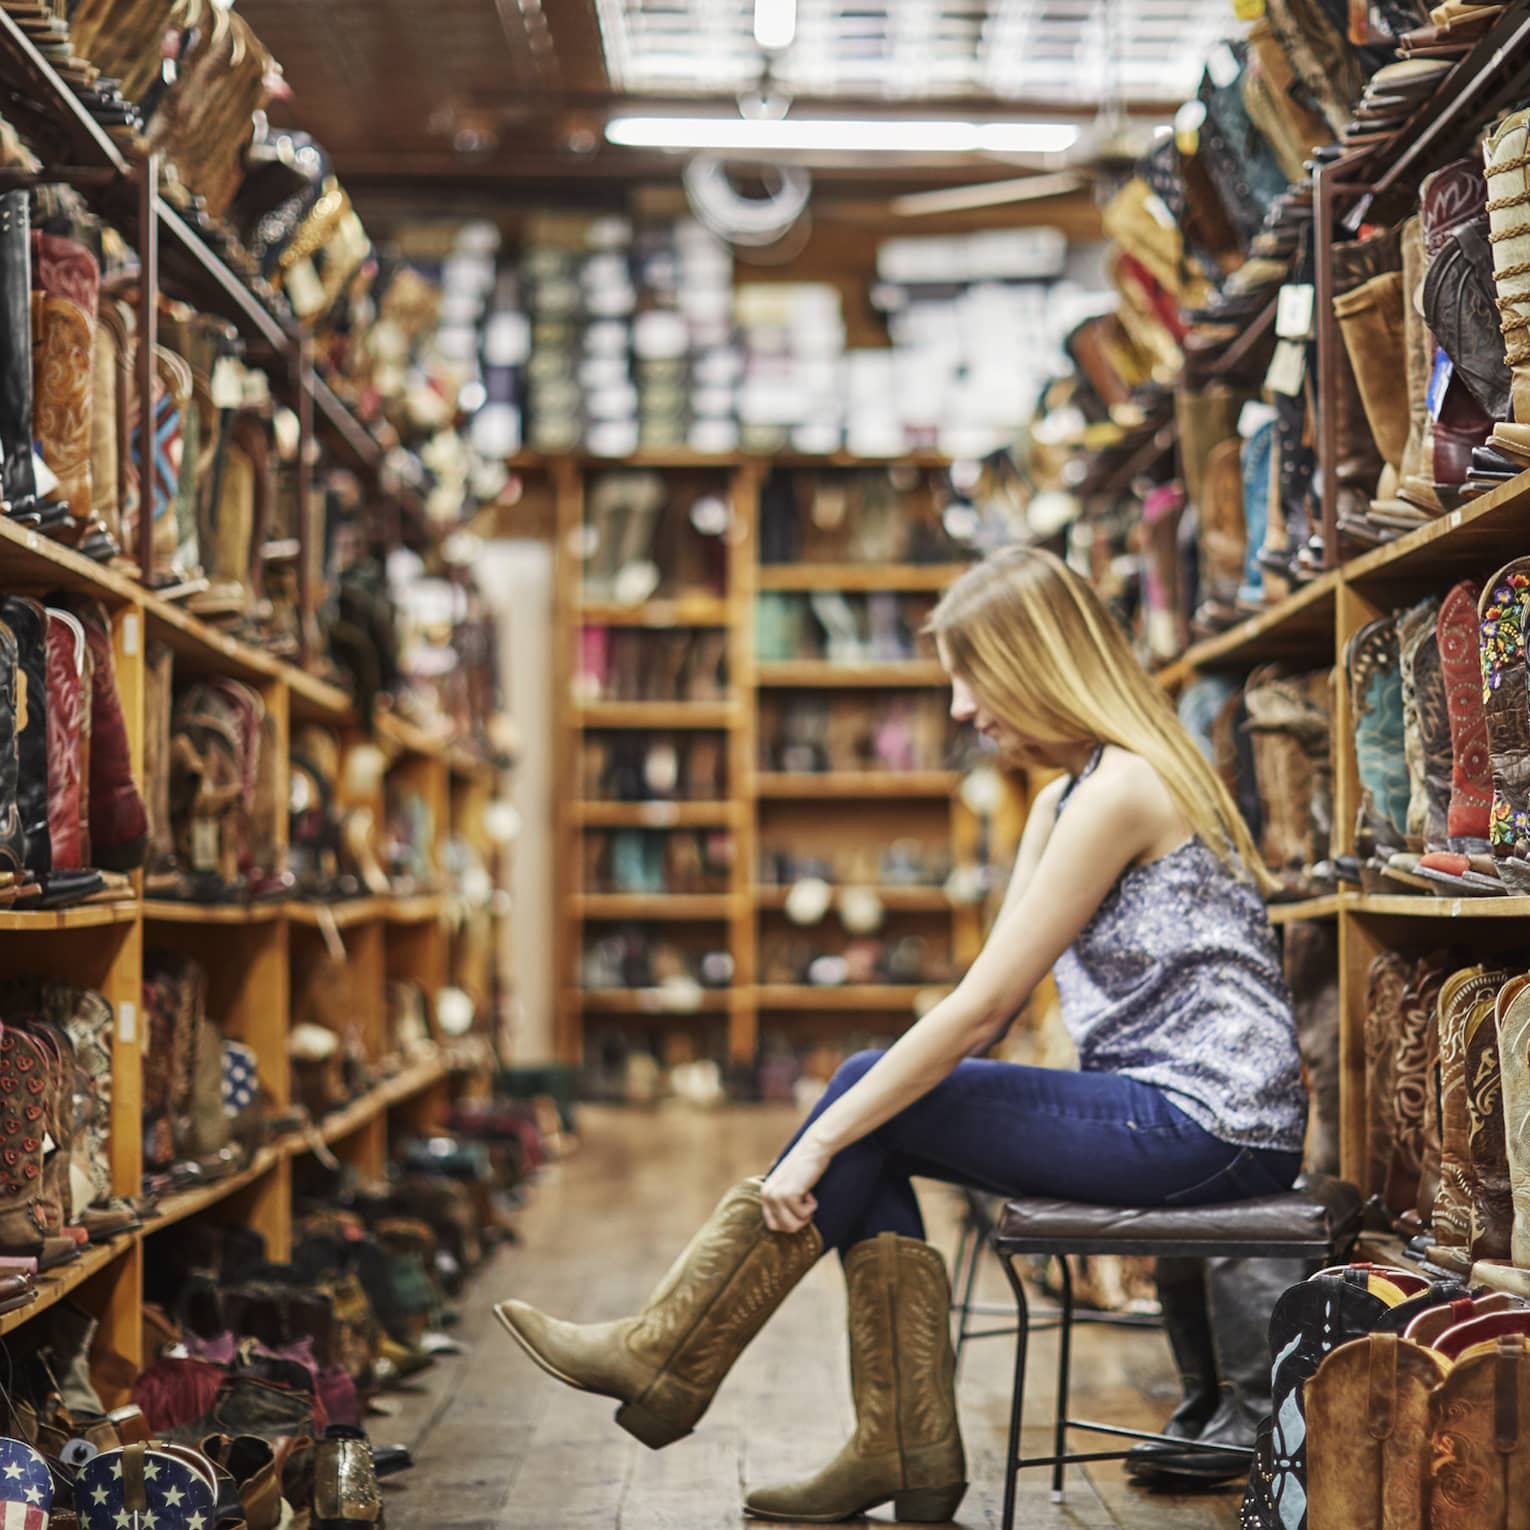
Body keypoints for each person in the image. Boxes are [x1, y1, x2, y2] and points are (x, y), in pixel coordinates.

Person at [495, 545, 1308, 1523]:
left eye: (972, 676)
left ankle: (676, 1351)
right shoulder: (1067, 795)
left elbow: (982, 1011)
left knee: (868, 1095)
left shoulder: (1125, 787)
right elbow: (988, 984)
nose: (962, 708)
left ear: (1035, 662)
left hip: (1212, 1128)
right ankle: (897, 1446)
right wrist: (837, 1133)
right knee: (877, 1107)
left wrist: (816, 1143)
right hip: (1161, 1115)